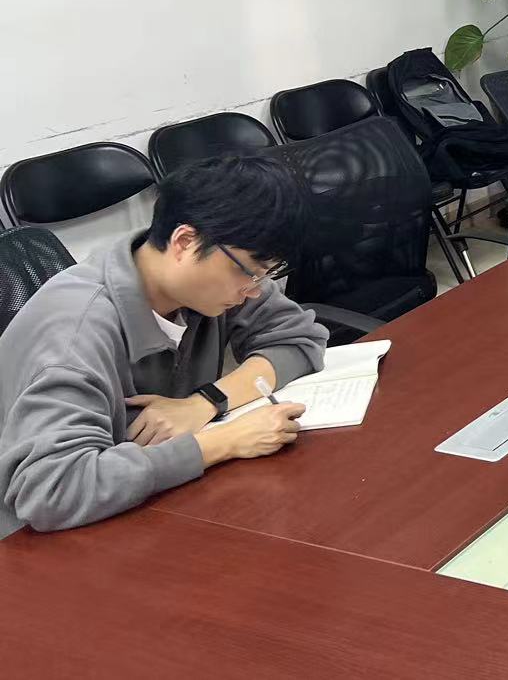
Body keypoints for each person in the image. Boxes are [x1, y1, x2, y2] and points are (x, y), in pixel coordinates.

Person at [0, 156, 326, 537]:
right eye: (250, 272)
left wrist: (205, 402)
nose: (254, 290)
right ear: (184, 242)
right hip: (37, 544)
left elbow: (299, 339)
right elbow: (51, 489)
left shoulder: (205, 278)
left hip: (145, 508)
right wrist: (220, 443)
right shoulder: (75, 333)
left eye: (264, 276)